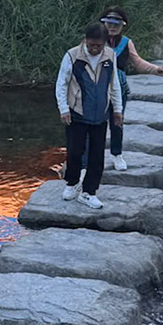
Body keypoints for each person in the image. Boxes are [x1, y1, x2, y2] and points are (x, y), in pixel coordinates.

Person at [56, 21, 123, 207]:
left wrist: (117, 109)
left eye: (98, 46)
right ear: (85, 41)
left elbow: (114, 84)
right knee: (75, 151)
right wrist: (63, 109)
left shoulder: (110, 56)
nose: (94, 49)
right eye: (91, 45)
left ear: (105, 43)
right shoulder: (72, 56)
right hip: (77, 112)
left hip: (100, 114)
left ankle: (89, 192)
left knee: (97, 155)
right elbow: (61, 83)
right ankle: (72, 183)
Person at [98, 7, 163, 172]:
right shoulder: (95, 39)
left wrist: (155, 69)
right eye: (109, 23)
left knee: (117, 121)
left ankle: (117, 154)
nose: (112, 27)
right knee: (96, 122)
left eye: (116, 24)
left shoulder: (126, 43)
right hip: (97, 87)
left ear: (122, 26)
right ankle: (94, 156)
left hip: (119, 87)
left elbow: (137, 62)